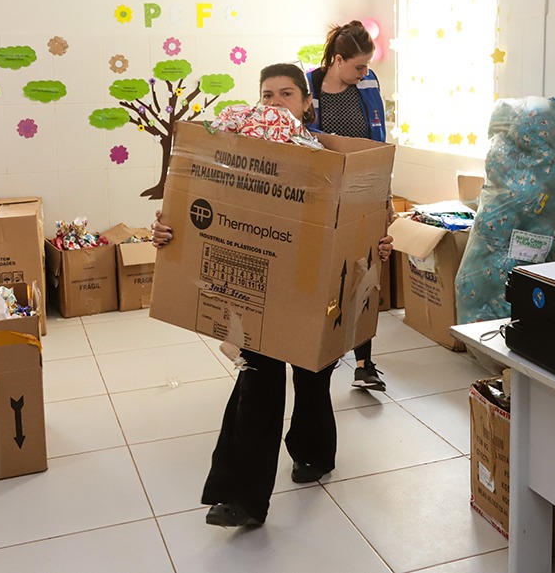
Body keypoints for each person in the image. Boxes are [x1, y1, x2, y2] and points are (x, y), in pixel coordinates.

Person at [150, 62, 394, 527]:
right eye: (266, 95)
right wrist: (166, 230)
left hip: (314, 291)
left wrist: (377, 241)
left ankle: (314, 452)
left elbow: (371, 215)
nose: (275, 103)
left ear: (306, 103)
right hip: (257, 291)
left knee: (312, 376)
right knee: (257, 382)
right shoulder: (231, 155)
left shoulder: (334, 158)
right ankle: (241, 497)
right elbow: (185, 207)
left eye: (286, 94)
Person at [307, 20, 389, 392]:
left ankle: (363, 362)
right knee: (322, 273)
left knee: (363, 270)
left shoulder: (368, 85)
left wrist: (383, 192)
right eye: (358, 66)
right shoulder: (308, 86)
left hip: (362, 192)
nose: (365, 72)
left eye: (367, 65)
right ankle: (315, 350)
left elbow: (378, 139)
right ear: (337, 60)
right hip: (322, 194)